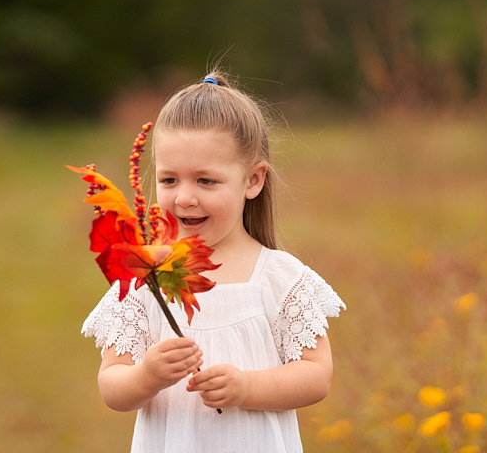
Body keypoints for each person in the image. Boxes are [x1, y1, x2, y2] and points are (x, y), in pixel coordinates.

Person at [81, 72, 346, 452]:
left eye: (205, 181)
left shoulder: (277, 278)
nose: (184, 198)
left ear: (253, 180)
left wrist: (247, 387)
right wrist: (146, 376)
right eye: (169, 180)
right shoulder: (145, 277)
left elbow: (316, 375)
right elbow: (112, 385)